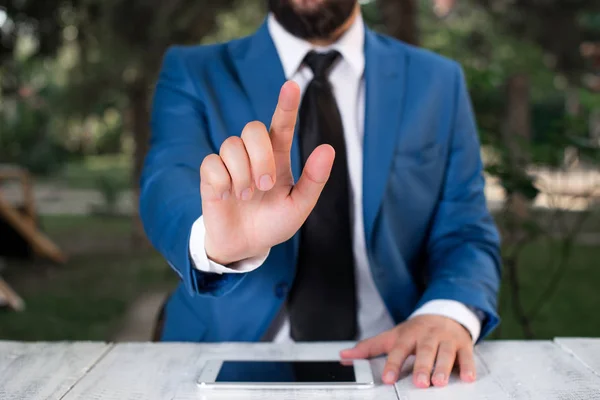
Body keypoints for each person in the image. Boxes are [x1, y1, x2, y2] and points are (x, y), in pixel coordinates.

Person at [140, 0, 501, 389]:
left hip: (395, 363)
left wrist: (447, 312)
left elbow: (465, 232)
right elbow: (166, 181)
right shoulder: (194, 71)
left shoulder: (438, 81)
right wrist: (214, 241)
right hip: (222, 356)